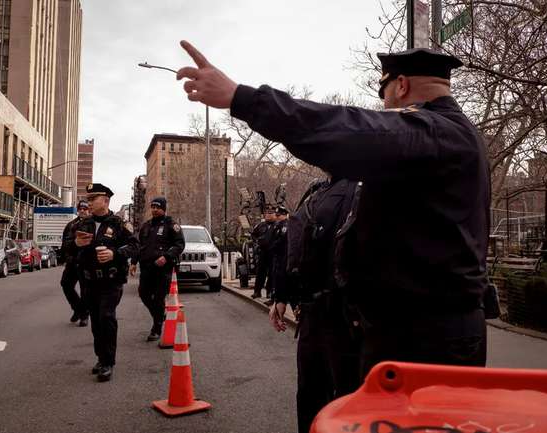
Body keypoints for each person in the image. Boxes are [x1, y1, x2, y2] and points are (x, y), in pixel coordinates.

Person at [177, 40, 490, 426]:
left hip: (425, 339)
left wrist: (241, 98)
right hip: (409, 330)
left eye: (384, 91)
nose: (385, 103)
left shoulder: (436, 132)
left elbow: (350, 130)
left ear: (401, 85)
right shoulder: (444, 135)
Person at [270, 177, 363, 433]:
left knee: (346, 399)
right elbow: (294, 245)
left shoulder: (362, 188)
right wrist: (281, 295)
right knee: (310, 393)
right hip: (313, 313)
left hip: (345, 317)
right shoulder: (316, 192)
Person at [74, 183, 139, 382]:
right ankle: (101, 358)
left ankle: (108, 362)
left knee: (106, 317)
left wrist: (115, 253)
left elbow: (135, 246)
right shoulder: (82, 224)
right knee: (95, 322)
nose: (90, 203)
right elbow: (66, 247)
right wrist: (75, 244)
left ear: (106, 200)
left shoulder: (118, 224)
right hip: (89, 281)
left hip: (111, 282)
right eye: (89, 199)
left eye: (94, 199)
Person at [129, 197, 185, 341]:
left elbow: (179, 245)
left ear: (163, 209)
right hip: (146, 267)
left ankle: (156, 328)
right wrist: (134, 262)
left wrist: (166, 256)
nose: (154, 209)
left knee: (159, 298)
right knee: (143, 294)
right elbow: (139, 246)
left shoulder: (171, 225)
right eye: (152, 207)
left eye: (157, 207)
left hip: (162, 268)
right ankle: (160, 316)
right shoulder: (146, 226)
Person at [59, 200, 91, 327]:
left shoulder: (92, 223)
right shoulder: (71, 224)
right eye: (80, 208)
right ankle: (78, 309)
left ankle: (84, 315)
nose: (82, 210)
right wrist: (65, 257)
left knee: (85, 290)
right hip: (72, 262)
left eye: (85, 208)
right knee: (65, 284)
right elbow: (65, 243)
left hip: (86, 263)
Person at [250, 207, 276, 300]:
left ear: (275, 215)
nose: (268, 215)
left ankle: (269, 292)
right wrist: (256, 243)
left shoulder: (277, 225)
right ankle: (257, 291)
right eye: (267, 213)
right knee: (260, 272)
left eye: (271, 213)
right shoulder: (260, 225)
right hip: (263, 252)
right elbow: (253, 234)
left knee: (272, 273)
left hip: (273, 252)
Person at [266, 205, 290, 307]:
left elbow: (281, 240)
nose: (277, 217)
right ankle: (275, 298)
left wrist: (273, 246)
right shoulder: (277, 225)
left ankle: (280, 299)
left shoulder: (285, 225)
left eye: (278, 215)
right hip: (277, 256)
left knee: (281, 278)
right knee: (274, 277)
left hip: (283, 255)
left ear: (284, 215)